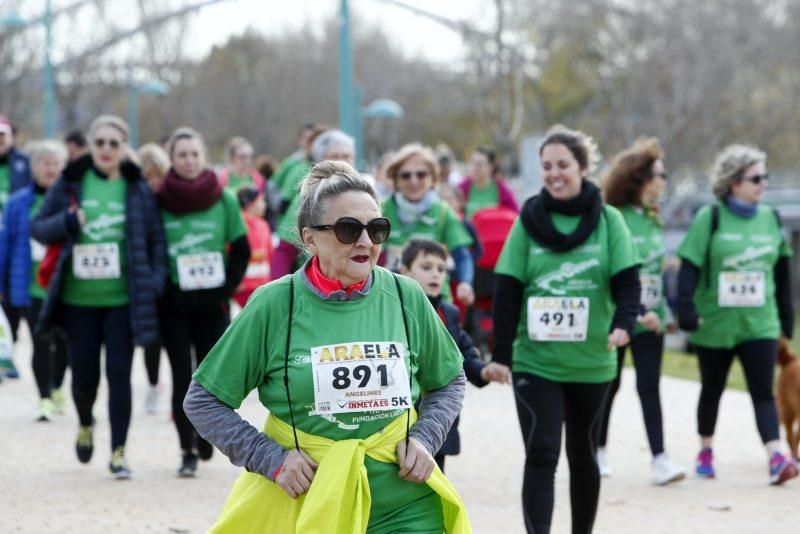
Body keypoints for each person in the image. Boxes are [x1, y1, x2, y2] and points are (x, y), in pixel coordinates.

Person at [184, 160, 470, 533]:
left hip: (404, 505)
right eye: (348, 229)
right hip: (312, 502)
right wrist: (270, 458)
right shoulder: (275, 304)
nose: (365, 241)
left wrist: (426, 437)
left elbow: (449, 379)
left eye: (376, 228)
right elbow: (203, 400)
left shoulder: (405, 294)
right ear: (310, 238)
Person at [493, 125, 641, 534]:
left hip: (592, 359)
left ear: (582, 167)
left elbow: (628, 282)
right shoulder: (528, 219)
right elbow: (508, 288)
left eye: (563, 165)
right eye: (546, 167)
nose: (554, 173)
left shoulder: (609, 220)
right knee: (541, 453)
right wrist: (501, 355)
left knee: (583, 455)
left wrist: (623, 323)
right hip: (536, 361)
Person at [30, 114, 167, 479]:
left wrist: (153, 282)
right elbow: (39, 227)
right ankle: (86, 422)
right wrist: (68, 222)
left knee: (120, 373)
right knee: (85, 377)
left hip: (122, 300)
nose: (106, 149)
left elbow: (156, 240)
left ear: (124, 148)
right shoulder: (72, 182)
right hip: (79, 301)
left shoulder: (137, 187)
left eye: (114, 143)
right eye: (100, 142)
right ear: (91, 145)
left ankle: (119, 451)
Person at [677, 144, 798, 485]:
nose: (763, 183)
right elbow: (688, 266)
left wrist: (785, 320)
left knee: (762, 389)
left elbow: (782, 272)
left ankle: (776, 455)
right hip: (715, 325)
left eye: (766, 177)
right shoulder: (710, 218)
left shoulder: (770, 218)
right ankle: (705, 449)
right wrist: (685, 309)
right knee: (712, 388)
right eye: (756, 177)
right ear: (734, 182)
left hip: (760, 323)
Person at [156, 127, 250, 477]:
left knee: (210, 379)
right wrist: (165, 290)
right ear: (172, 159)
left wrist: (224, 290)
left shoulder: (223, 198)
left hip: (213, 305)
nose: (190, 160)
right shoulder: (160, 198)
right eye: (182, 155)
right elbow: (152, 249)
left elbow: (240, 249)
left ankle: (206, 433)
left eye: (195, 153)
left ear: (204, 156)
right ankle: (187, 449)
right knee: (182, 376)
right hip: (174, 306)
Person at [597, 137, 685, 485]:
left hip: (651, 319)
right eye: (659, 174)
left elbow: (656, 274)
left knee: (650, 385)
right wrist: (628, 315)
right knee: (610, 383)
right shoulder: (613, 218)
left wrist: (662, 315)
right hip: (618, 316)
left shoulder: (654, 218)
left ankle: (660, 459)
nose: (664, 180)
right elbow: (607, 272)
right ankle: (598, 449)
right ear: (638, 179)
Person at [400, 238, 510, 472]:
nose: (436, 274)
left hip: (436, 422)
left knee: (433, 485)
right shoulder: (391, 309)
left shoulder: (448, 313)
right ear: (404, 271)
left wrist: (483, 370)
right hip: (397, 420)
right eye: (426, 267)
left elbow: (463, 355)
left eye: (441, 269)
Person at [0, 140, 69, 419]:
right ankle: (44, 398)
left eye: (55, 164)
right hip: (30, 285)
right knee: (40, 341)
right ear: (33, 167)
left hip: (63, 285)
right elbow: (5, 244)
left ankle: (56, 386)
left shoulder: (70, 199)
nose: (50, 169)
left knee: (64, 344)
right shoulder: (18, 204)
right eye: (45, 163)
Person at [381, 143, 475, 307]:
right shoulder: (382, 209)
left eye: (421, 174)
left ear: (432, 179)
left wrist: (465, 283)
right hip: (393, 301)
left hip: (436, 303)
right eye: (405, 175)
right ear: (395, 179)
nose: (414, 180)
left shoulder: (443, 212)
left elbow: (462, 256)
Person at [272, 128, 350, 279]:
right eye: (334, 156)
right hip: (310, 278)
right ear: (320, 160)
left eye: (347, 156)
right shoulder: (309, 193)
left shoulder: (362, 194)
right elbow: (285, 249)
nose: (342, 162)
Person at [138, 142, 171, 413]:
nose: (153, 183)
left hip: (174, 280)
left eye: (157, 175)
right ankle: (152, 385)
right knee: (152, 340)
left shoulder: (172, 201)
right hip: (149, 279)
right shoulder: (138, 203)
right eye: (147, 176)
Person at [234, 185, 273, 308]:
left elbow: (270, 253)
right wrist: (235, 281)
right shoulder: (237, 224)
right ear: (250, 203)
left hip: (262, 285)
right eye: (261, 200)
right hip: (241, 289)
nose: (264, 204)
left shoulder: (263, 224)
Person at [459, 146, 519, 219]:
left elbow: (515, 214)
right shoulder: (462, 188)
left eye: (479, 164)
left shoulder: (502, 189)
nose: (475, 167)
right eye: (472, 162)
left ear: (491, 166)